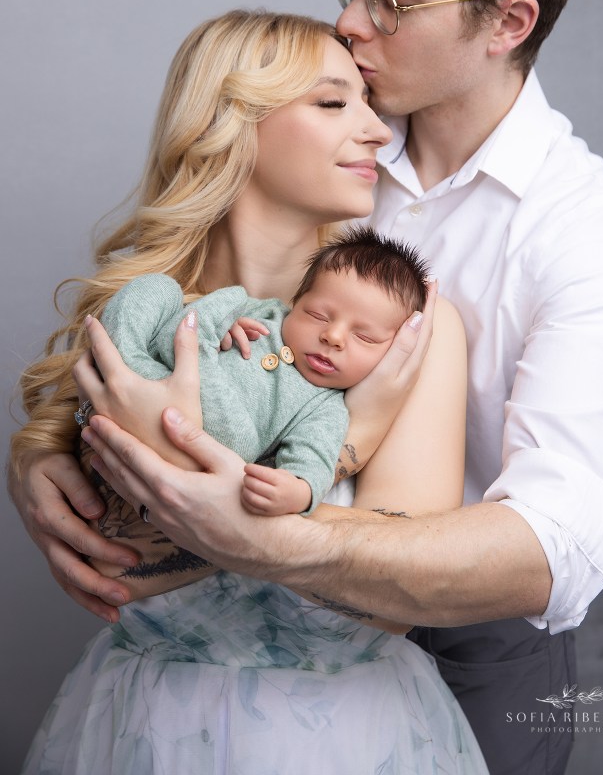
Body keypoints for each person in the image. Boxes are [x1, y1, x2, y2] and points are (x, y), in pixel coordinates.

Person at [11, 0, 603, 775]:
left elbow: (559, 541)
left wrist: (249, 499)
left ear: (506, 24)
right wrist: (52, 459)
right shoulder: (338, 142)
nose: (353, 22)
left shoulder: (581, 230)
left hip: (468, 647)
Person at [15, 9, 489, 774]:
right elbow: (118, 573)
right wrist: (37, 458)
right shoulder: (143, 318)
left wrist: (339, 439)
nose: (378, 131)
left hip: (346, 739)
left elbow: (387, 605)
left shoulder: (403, 334)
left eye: (368, 104)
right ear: (231, 125)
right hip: (144, 733)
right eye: (333, 103)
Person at [80, 229, 429, 598]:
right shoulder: (263, 314)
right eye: (317, 314)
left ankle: (133, 378)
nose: (334, 336)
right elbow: (197, 320)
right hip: (163, 370)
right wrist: (225, 325)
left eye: (365, 338)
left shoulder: (324, 406)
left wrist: (298, 491)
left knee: (241, 444)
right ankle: (128, 365)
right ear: (295, 302)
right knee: (156, 289)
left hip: (217, 436)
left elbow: (313, 458)